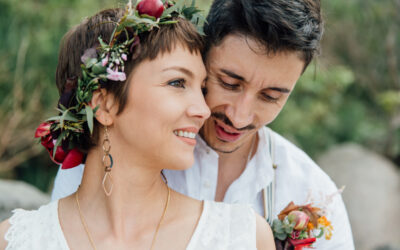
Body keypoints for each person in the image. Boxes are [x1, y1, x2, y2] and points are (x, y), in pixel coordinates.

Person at [52, 0, 354, 249]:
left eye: (270, 97)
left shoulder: (311, 189)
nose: (240, 116)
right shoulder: (110, 160)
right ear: (202, 54)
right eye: (229, 82)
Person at [0, 2, 275, 250]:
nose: (203, 110)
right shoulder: (17, 241)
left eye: (201, 89)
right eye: (178, 83)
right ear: (104, 106)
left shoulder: (242, 237)